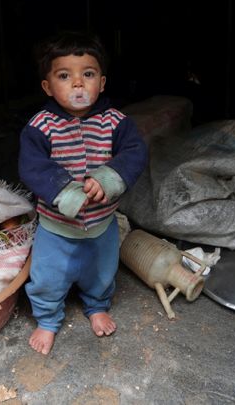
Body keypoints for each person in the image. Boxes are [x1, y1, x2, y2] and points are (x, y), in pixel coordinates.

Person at [18, 31, 148, 355]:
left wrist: (109, 179)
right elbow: (33, 166)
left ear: (102, 83)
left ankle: (97, 305)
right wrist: (66, 192)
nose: (78, 84)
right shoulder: (40, 126)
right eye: (65, 76)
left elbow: (134, 153)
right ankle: (47, 319)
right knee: (47, 276)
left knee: (102, 270)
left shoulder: (116, 122)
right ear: (48, 86)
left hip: (102, 225)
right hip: (55, 228)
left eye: (87, 74)